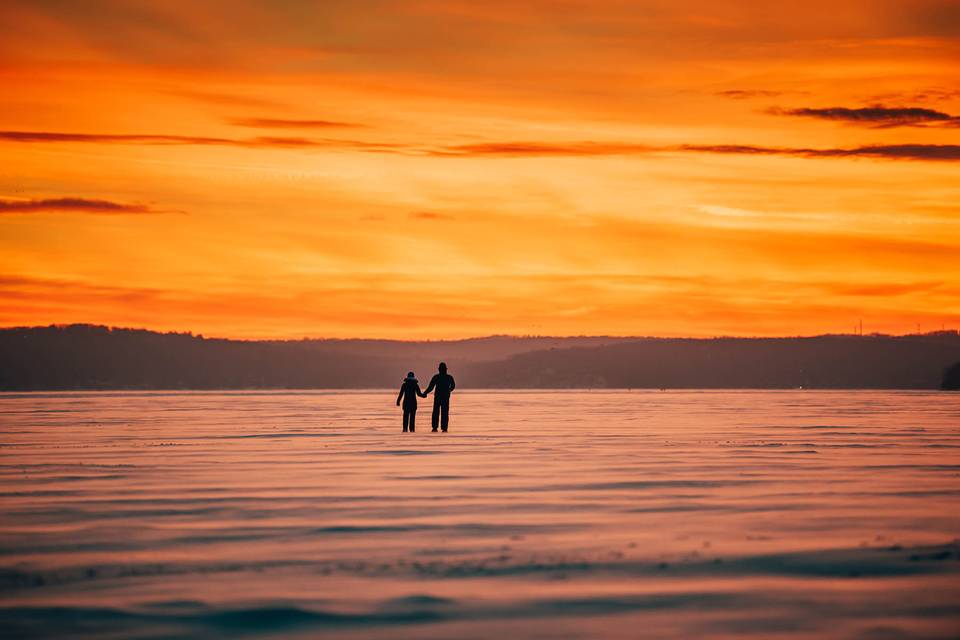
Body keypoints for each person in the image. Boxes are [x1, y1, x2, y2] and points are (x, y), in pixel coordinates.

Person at [423, 362, 456, 432]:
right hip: (444, 397)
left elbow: (430, 387)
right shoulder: (449, 377)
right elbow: (453, 386)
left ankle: (436, 427)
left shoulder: (437, 377)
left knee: (437, 412)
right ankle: (443, 428)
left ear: (439, 370)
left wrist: (424, 393)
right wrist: (449, 390)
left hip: (440, 397)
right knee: (443, 412)